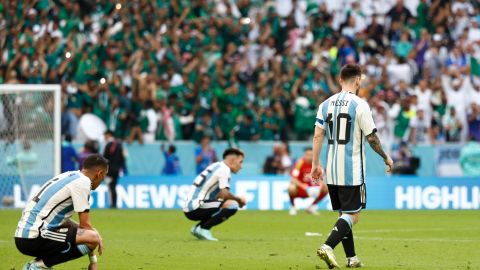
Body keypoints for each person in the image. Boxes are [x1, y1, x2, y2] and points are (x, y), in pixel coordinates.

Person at [310, 64, 393, 268]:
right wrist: (386, 156)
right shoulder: (360, 105)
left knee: (344, 214)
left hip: (332, 170)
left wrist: (315, 164)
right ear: (358, 81)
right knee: (353, 216)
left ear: (340, 80)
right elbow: (372, 137)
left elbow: (318, 135)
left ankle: (352, 258)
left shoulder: (325, 104)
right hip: (352, 170)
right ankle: (327, 246)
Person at [14, 154, 108, 270]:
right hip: (35, 235)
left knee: (92, 235)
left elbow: (72, 224)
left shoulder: (69, 175)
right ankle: (38, 266)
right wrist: (93, 261)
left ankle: (40, 265)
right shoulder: (83, 183)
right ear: (99, 174)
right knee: (93, 236)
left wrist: (93, 235)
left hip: (24, 234)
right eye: (104, 176)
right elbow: (86, 228)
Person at [183, 148, 246, 241]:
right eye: (240, 162)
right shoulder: (225, 169)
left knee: (223, 203)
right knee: (232, 205)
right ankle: (204, 229)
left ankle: (198, 228)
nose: (242, 166)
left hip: (191, 206)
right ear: (232, 160)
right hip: (196, 206)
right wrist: (239, 200)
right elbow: (224, 193)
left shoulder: (216, 165)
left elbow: (220, 195)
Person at [288, 147, 329, 216]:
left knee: (326, 188)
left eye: (311, 155)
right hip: (302, 188)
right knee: (291, 188)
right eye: (307, 155)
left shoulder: (318, 163)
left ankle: (311, 207)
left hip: (314, 188)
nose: (309, 157)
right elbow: (293, 179)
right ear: (304, 155)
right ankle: (293, 207)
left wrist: (321, 186)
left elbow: (322, 177)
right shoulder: (299, 163)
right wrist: (303, 186)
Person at [103, 130, 126, 209]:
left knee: (110, 186)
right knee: (114, 186)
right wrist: (121, 168)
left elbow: (104, 158)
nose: (104, 137)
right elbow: (123, 158)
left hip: (109, 170)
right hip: (117, 170)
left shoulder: (108, 145)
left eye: (105, 135)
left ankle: (112, 204)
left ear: (108, 135)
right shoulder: (119, 145)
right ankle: (114, 203)